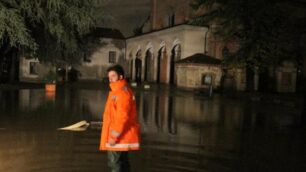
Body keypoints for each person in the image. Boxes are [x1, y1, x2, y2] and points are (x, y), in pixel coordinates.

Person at [100, 64, 141, 172]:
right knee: (123, 163)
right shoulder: (119, 91)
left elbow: (122, 117)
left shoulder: (121, 93)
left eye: (113, 76)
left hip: (118, 136)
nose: (110, 79)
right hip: (122, 134)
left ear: (121, 77)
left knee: (115, 164)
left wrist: (113, 137)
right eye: (109, 77)